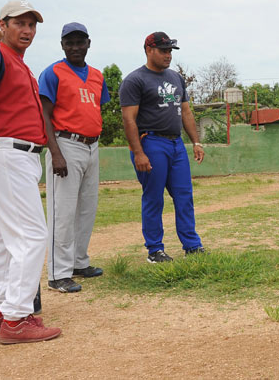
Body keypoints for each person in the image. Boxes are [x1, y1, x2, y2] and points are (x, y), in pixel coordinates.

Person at [0, 1, 61, 343]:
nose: (27, 30)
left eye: (32, 25)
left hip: (14, 156)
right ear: (3, 26)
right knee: (32, 235)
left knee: (3, 237)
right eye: (19, 23)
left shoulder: (20, 63)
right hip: (9, 154)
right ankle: (17, 318)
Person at [119, 32, 206, 263]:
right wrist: (138, 152)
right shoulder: (134, 80)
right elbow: (129, 119)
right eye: (163, 50)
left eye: (170, 51)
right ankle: (155, 250)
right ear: (149, 50)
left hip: (176, 144)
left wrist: (195, 142)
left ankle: (192, 245)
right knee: (154, 197)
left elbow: (185, 111)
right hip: (151, 142)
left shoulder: (176, 78)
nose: (168, 55)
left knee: (184, 195)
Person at [38, 22, 110, 293]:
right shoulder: (53, 72)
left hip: (92, 145)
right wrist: (54, 151)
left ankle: (79, 262)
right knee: (63, 212)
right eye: (70, 42)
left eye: (80, 42)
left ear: (89, 43)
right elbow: (44, 114)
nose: (75, 47)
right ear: (62, 45)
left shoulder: (96, 75)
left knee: (86, 209)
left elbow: (94, 108)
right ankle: (58, 273)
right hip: (65, 144)